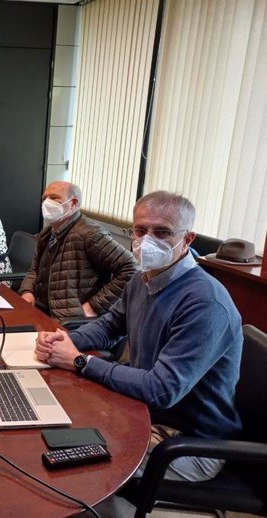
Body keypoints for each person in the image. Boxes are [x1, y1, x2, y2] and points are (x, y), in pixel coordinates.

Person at [35, 191, 242, 514]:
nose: (147, 241)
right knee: (53, 434)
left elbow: (161, 390)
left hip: (190, 441)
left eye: (161, 232)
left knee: (75, 466)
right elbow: (109, 326)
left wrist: (79, 361)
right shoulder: (144, 279)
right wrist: (63, 339)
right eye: (140, 230)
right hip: (141, 414)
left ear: (187, 238)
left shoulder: (204, 303)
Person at [18, 181, 137, 319]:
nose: (47, 203)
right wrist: (27, 291)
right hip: (39, 310)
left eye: (54, 198)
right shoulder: (46, 234)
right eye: (44, 198)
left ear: (74, 204)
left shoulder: (91, 233)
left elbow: (131, 268)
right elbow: (34, 270)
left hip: (68, 320)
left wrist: (94, 306)